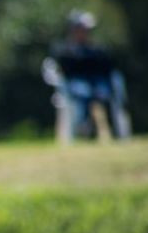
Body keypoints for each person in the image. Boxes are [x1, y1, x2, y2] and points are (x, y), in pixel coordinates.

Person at [45, 10, 130, 142]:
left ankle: (113, 131)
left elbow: (108, 67)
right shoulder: (63, 49)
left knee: (104, 94)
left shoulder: (98, 49)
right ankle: (85, 128)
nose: (84, 33)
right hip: (75, 83)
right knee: (83, 92)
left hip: (98, 83)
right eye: (81, 29)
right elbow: (64, 68)